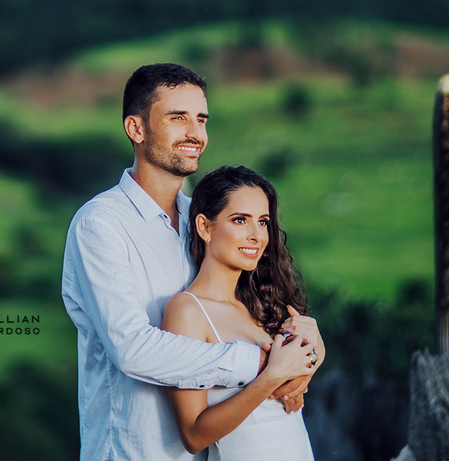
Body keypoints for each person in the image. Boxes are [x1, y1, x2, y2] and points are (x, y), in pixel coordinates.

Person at [62, 64, 321, 461]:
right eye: (177, 118)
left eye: (201, 119)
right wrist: (262, 363)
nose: (195, 133)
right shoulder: (100, 225)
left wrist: (307, 351)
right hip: (134, 452)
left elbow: (251, 310)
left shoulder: (207, 223)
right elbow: (132, 349)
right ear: (136, 129)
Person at [162, 165, 321, 459]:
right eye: (240, 220)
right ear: (204, 227)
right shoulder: (187, 311)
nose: (256, 235)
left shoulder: (263, 301)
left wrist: (315, 349)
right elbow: (193, 435)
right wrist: (272, 377)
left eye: (263, 222)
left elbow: (293, 379)